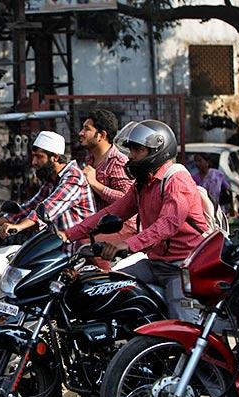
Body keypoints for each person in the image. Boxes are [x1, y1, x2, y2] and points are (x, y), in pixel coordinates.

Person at [62, 120, 206, 321]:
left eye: (137, 150)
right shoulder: (143, 183)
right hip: (155, 264)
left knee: (182, 328)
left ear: (158, 150)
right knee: (105, 286)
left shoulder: (176, 180)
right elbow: (113, 211)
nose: (130, 156)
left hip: (182, 268)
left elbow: (167, 224)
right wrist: (67, 234)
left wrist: (127, 245)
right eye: (130, 150)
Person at [0, 131, 96, 237]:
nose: (34, 162)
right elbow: (31, 206)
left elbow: (48, 208)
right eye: (34, 157)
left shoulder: (73, 177)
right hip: (57, 245)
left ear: (55, 157)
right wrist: (1, 222)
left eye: (39, 157)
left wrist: (18, 227)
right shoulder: (51, 181)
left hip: (77, 247)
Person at [80, 109, 136, 232]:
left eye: (87, 129)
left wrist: (95, 184)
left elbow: (127, 200)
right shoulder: (90, 159)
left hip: (123, 229)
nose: (81, 133)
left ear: (102, 135)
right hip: (99, 225)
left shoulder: (118, 162)